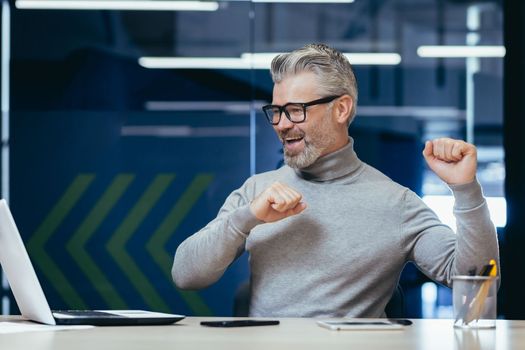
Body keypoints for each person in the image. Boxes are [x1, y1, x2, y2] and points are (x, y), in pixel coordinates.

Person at [172, 43, 500, 318]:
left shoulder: (395, 204)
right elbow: (186, 276)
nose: (282, 125)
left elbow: (477, 290)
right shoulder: (256, 191)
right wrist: (247, 218)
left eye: (296, 110)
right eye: (276, 111)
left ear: (341, 109)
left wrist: (466, 191)